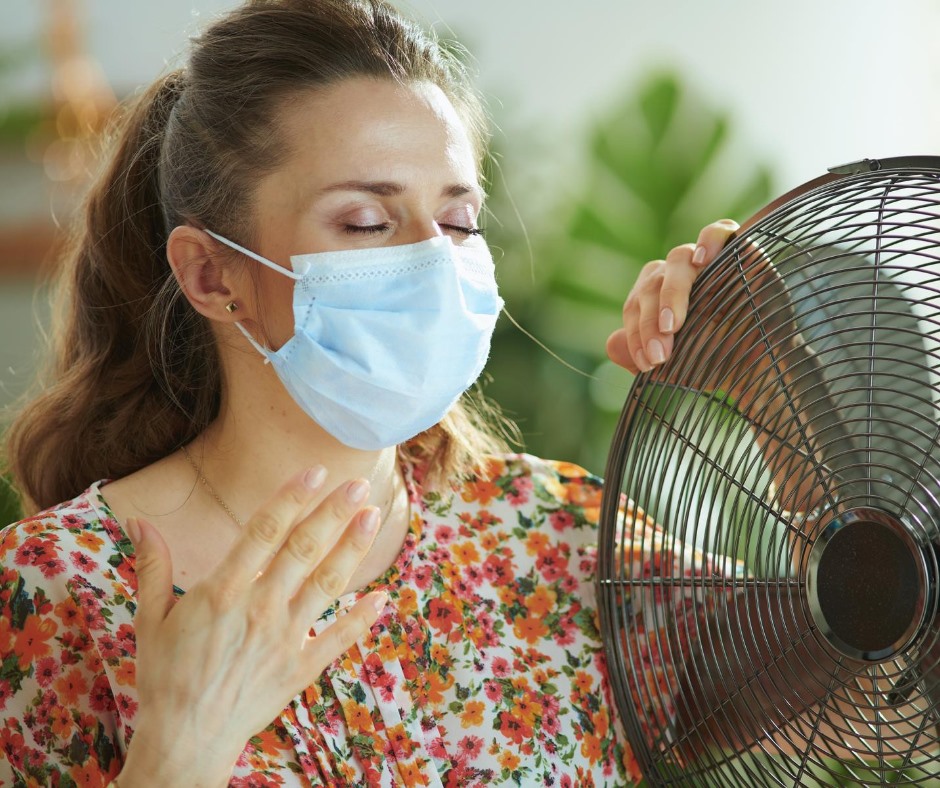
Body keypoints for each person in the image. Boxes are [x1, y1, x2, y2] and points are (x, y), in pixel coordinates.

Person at [0, 1, 756, 785]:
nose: (434, 261)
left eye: (459, 222)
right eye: (365, 222)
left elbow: (845, 680)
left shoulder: (551, 532)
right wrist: (175, 756)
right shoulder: (61, 586)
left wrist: (779, 377)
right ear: (212, 274)